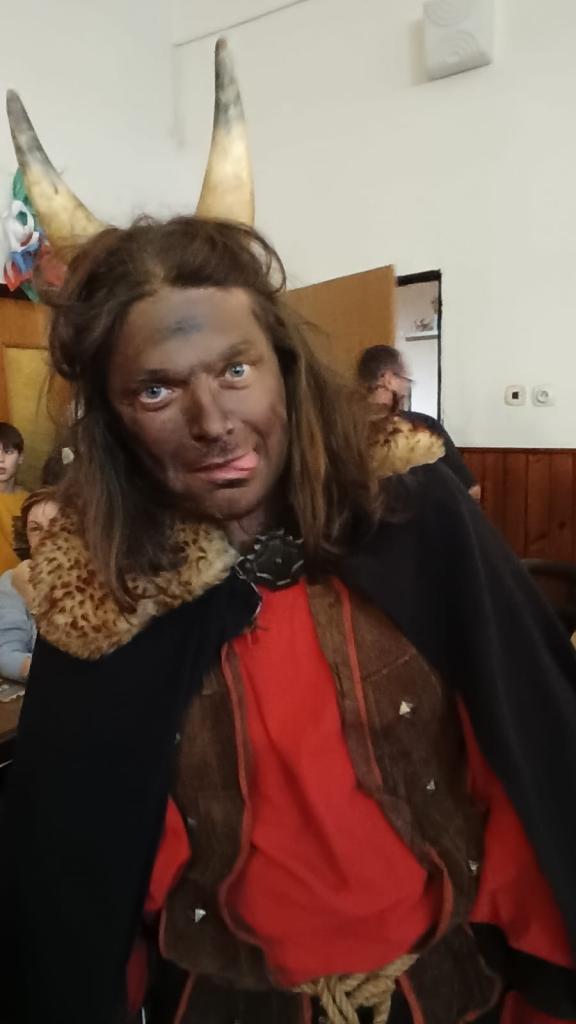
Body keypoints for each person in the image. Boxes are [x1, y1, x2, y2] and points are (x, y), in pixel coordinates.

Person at [3, 40, 576, 1024]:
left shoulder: (415, 517)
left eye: (235, 370)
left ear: (283, 365)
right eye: (156, 389)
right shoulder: (101, 602)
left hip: (446, 997)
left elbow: (532, 766)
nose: (213, 421)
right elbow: (73, 894)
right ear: (113, 418)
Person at [357, 345, 481, 501]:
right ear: (389, 380)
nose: (406, 388)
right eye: (405, 380)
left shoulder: (339, 430)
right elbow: (472, 491)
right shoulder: (422, 426)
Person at [0, 487, 59, 682]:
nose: (45, 538)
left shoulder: (99, 581)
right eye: (35, 529)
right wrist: (47, 672)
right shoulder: (14, 580)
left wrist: (33, 600)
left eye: (55, 526)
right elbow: (5, 653)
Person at [0, 422, 28, 573]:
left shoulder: (29, 503)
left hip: (19, 582)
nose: (1, 459)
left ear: (21, 457)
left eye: (8, 451)